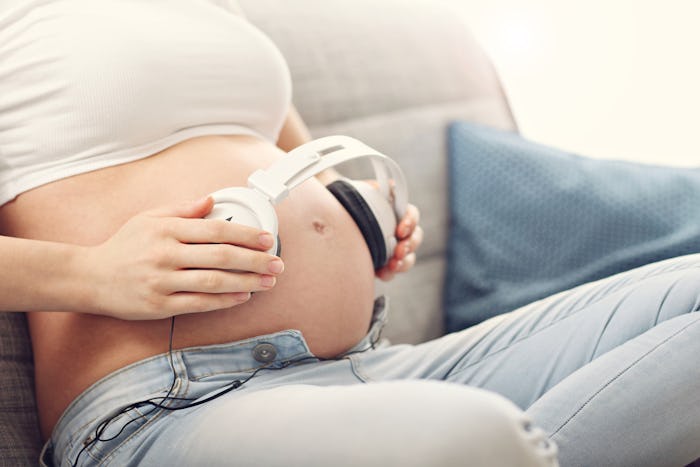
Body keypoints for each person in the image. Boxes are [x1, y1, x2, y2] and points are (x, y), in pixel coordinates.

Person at [1, 2, 698, 466]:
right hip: (171, 401)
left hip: (370, 359)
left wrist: (361, 213)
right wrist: (91, 272)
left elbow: (299, 158)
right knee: (471, 437)